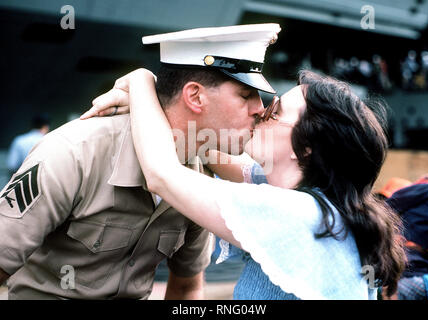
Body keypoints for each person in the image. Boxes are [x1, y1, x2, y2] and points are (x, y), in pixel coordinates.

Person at [0, 23, 280, 299]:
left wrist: (141, 82)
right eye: (245, 95)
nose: (259, 108)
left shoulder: (200, 177)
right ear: (195, 96)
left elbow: (187, 286)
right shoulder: (75, 154)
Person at [83, 68, 406, 299]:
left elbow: (162, 175)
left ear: (306, 147)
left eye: (276, 112)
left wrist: (143, 81)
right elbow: (201, 145)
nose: (261, 112)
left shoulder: (298, 214)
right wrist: (163, 110)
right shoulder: (315, 203)